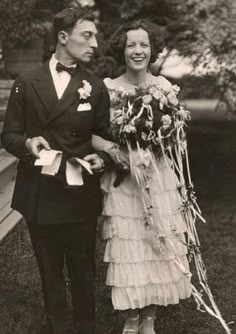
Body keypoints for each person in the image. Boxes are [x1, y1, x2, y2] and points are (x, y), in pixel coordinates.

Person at [1, 8, 111, 334]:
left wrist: (101, 160)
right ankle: (58, 326)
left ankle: (86, 326)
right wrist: (27, 143)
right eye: (86, 35)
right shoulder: (26, 82)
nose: (94, 43)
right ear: (63, 37)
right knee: (49, 271)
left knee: (82, 269)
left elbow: (105, 138)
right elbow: (9, 135)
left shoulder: (94, 86)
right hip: (40, 192)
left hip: (79, 193)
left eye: (95, 35)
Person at [92, 20, 192, 334]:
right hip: (125, 181)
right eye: (132, 45)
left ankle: (149, 318)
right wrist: (117, 150)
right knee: (129, 244)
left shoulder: (163, 88)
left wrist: (162, 138)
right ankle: (131, 318)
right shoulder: (108, 88)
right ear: (121, 48)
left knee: (157, 245)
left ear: (152, 49)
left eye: (144, 45)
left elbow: (176, 134)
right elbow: (91, 134)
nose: (138, 51)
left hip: (158, 179)